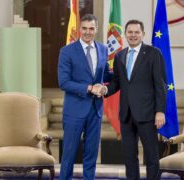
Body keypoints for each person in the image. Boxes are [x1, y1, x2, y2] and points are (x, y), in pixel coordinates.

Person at [98, 19, 167, 180]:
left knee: (151, 157)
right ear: (125, 34)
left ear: (143, 34)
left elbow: (160, 85)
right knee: (129, 158)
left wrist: (160, 111)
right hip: (126, 115)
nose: (133, 35)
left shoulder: (153, 54)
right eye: (130, 32)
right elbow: (117, 82)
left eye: (137, 32)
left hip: (148, 114)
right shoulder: (120, 55)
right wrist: (106, 89)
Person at [57, 14, 111, 180]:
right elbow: (63, 82)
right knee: (69, 155)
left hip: (95, 110)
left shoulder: (103, 49)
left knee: (91, 155)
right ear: (79, 29)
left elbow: (106, 74)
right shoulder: (67, 51)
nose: (88, 32)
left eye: (91, 28)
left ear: (96, 29)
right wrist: (88, 88)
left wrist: (104, 86)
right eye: (85, 28)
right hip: (74, 111)